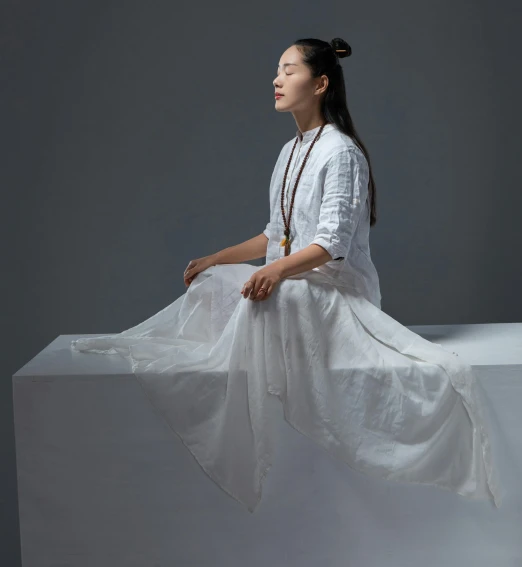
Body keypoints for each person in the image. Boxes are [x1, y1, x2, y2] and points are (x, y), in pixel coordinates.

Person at [71, 37, 503, 513]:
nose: (277, 79)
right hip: (298, 280)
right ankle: (220, 360)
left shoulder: (341, 153)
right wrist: (218, 258)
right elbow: (276, 235)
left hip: (337, 293)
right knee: (221, 284)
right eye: (277, 70)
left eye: (289, 70)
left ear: (320, 83)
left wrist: (275, 271)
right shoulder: (289, 150)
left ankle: (232, 402)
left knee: (266, 296)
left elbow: (330, 245)